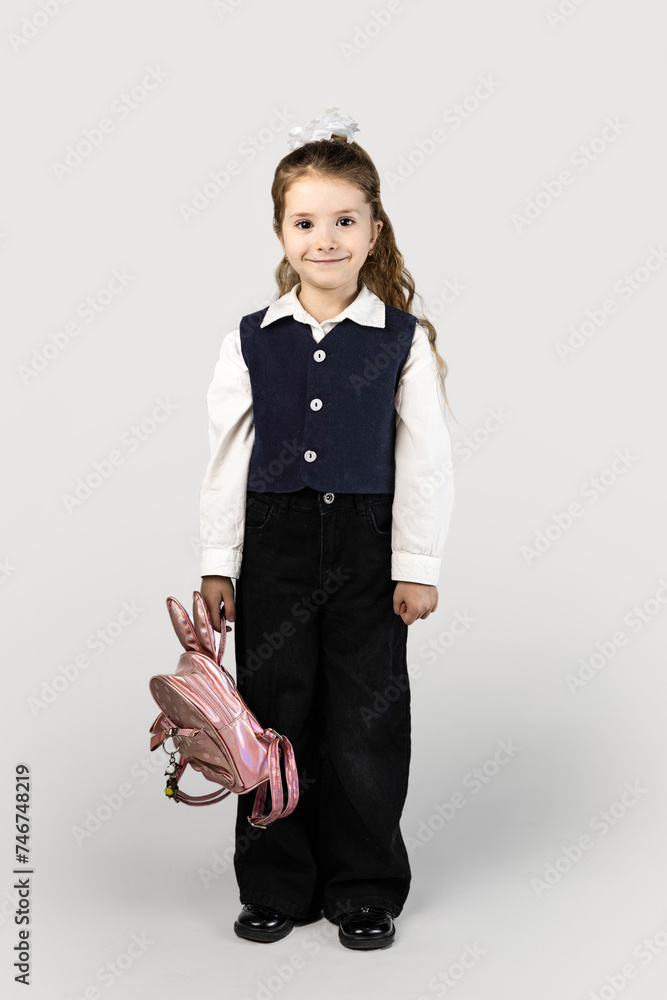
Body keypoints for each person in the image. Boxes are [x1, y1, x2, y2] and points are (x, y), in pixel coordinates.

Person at [199, 108, 455, 950]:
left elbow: (425, 460)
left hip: (366, 550)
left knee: (365, 718)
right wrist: (218, 564)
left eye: (344, 220)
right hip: (272, 543)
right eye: (305, 222)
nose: (325, 238)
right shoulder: (251, 339)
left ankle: (365, 885)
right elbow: (227, 456)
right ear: (280, 230)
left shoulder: (399, 340)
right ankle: (275, 881)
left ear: (373, 229)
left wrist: (415, 563)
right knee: (272, 712)